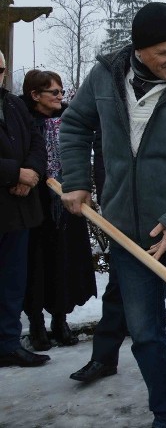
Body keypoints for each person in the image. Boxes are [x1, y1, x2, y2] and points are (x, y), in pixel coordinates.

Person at [60, 2, 166, 427]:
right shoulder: (104, 76)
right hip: (127, 232)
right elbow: (76, 125)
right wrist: (76, 179)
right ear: (139, 50)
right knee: (146, 335)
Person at [21, 70, 96, 350]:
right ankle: (36, 323)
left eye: (62, 92)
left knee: (65, 262)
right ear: (35, 95)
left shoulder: (70, 119)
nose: (60, 97)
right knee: (36, 264)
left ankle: (60, 320)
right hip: (35, 203)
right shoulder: (24, 120)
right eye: (54, 92)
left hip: (68, 202)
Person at [0, 53, 50, 368]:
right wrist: (13, 173)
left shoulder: (14, 104)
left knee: (12, 282)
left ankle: (7, 343)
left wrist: (30, 173)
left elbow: (36, 142)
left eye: (0, 68)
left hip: (17, 211)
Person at [70, 130, 129, 384]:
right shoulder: (112, 107)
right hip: (124, 211)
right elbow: (103, 153)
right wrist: (111, 199)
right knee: (119, 285)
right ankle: (104, 358)